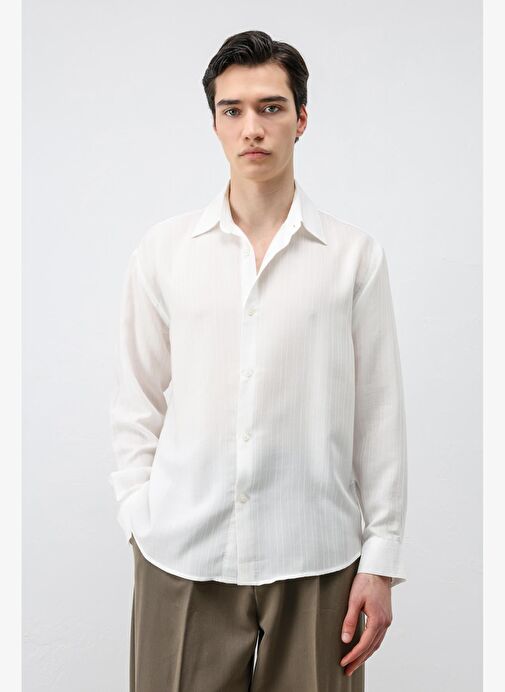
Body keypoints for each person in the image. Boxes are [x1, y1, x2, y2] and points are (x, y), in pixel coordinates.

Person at [109, 29, 408, 692]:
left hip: (318, 558)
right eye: (233, 109)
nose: (252, 127)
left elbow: (379, 413)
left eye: (271, 107)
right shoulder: (163, 252)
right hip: (181, 553)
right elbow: (137, 397)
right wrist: (138, 510)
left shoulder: (353, 258)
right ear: (214, 123)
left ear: (301, 120)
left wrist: (380, 559)